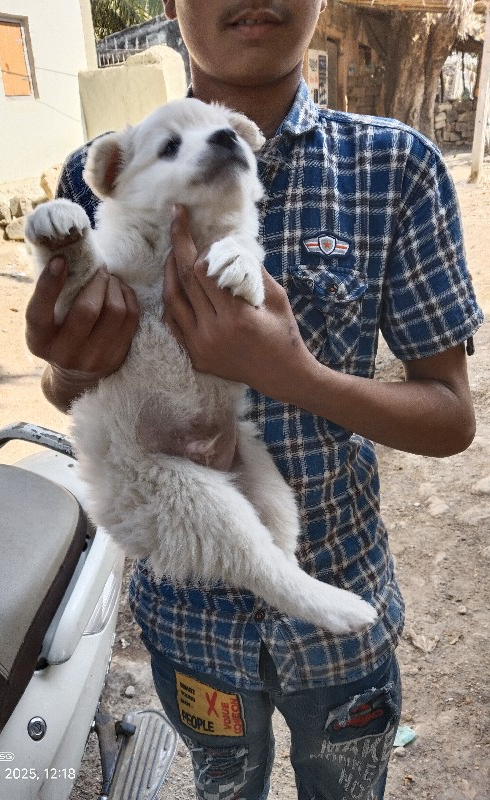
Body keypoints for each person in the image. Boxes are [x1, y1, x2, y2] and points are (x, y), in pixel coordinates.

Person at [25, 2, 484, 798]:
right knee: (225, 782)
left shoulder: (395, 166)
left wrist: (294, 375)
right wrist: (66, 366)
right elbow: (70, 386)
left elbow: (452, 416)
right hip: (188, 617)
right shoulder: (99, 170)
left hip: (344, 603)